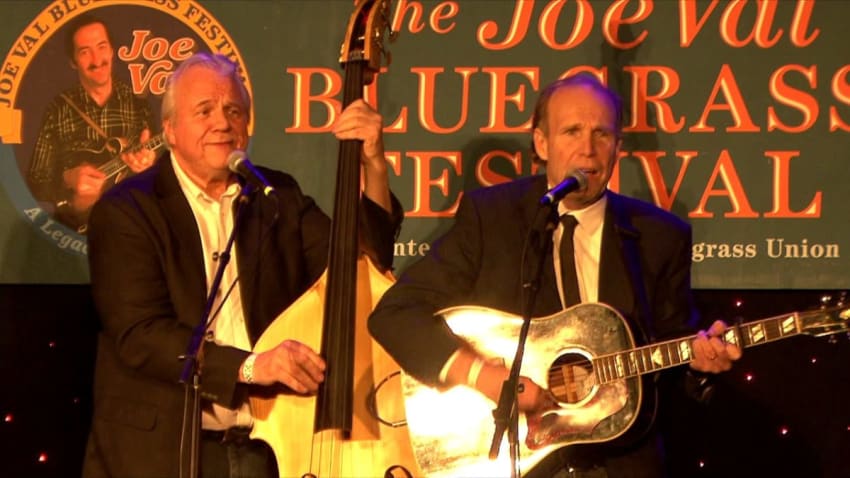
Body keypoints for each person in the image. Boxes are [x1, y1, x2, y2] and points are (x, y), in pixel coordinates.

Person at [368, 74, 741, 478]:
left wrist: (699, 366)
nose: (588, 149)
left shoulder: (659, 236)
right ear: (542, 143)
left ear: (618, 146)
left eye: (602, 134)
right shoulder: (491, 217)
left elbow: (672, 367)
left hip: (621, 464)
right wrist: (487, 378)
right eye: (572, 131)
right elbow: (395, 315)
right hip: (513, 460)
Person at [81, 52, 402, 478]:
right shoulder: (126, 211)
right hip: (164, 452)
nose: (222, 122)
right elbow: (141, 335)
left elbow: (359, 270)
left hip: (266, 451)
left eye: (234, 110)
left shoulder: (275, 196)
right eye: (204, 110)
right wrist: (253, 366)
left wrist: (373, 167)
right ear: (169, 131)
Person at [28, 14, 157, 233]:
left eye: (101, 47)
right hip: (77, 231)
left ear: (112, 51)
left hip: (132, 226)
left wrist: (151, 163)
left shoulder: (140, 105)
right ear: (73, 61)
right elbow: (36, 180)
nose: (96, 59)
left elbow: (168, 175)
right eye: (84, 51)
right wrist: (68, 179)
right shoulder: (58, 109)